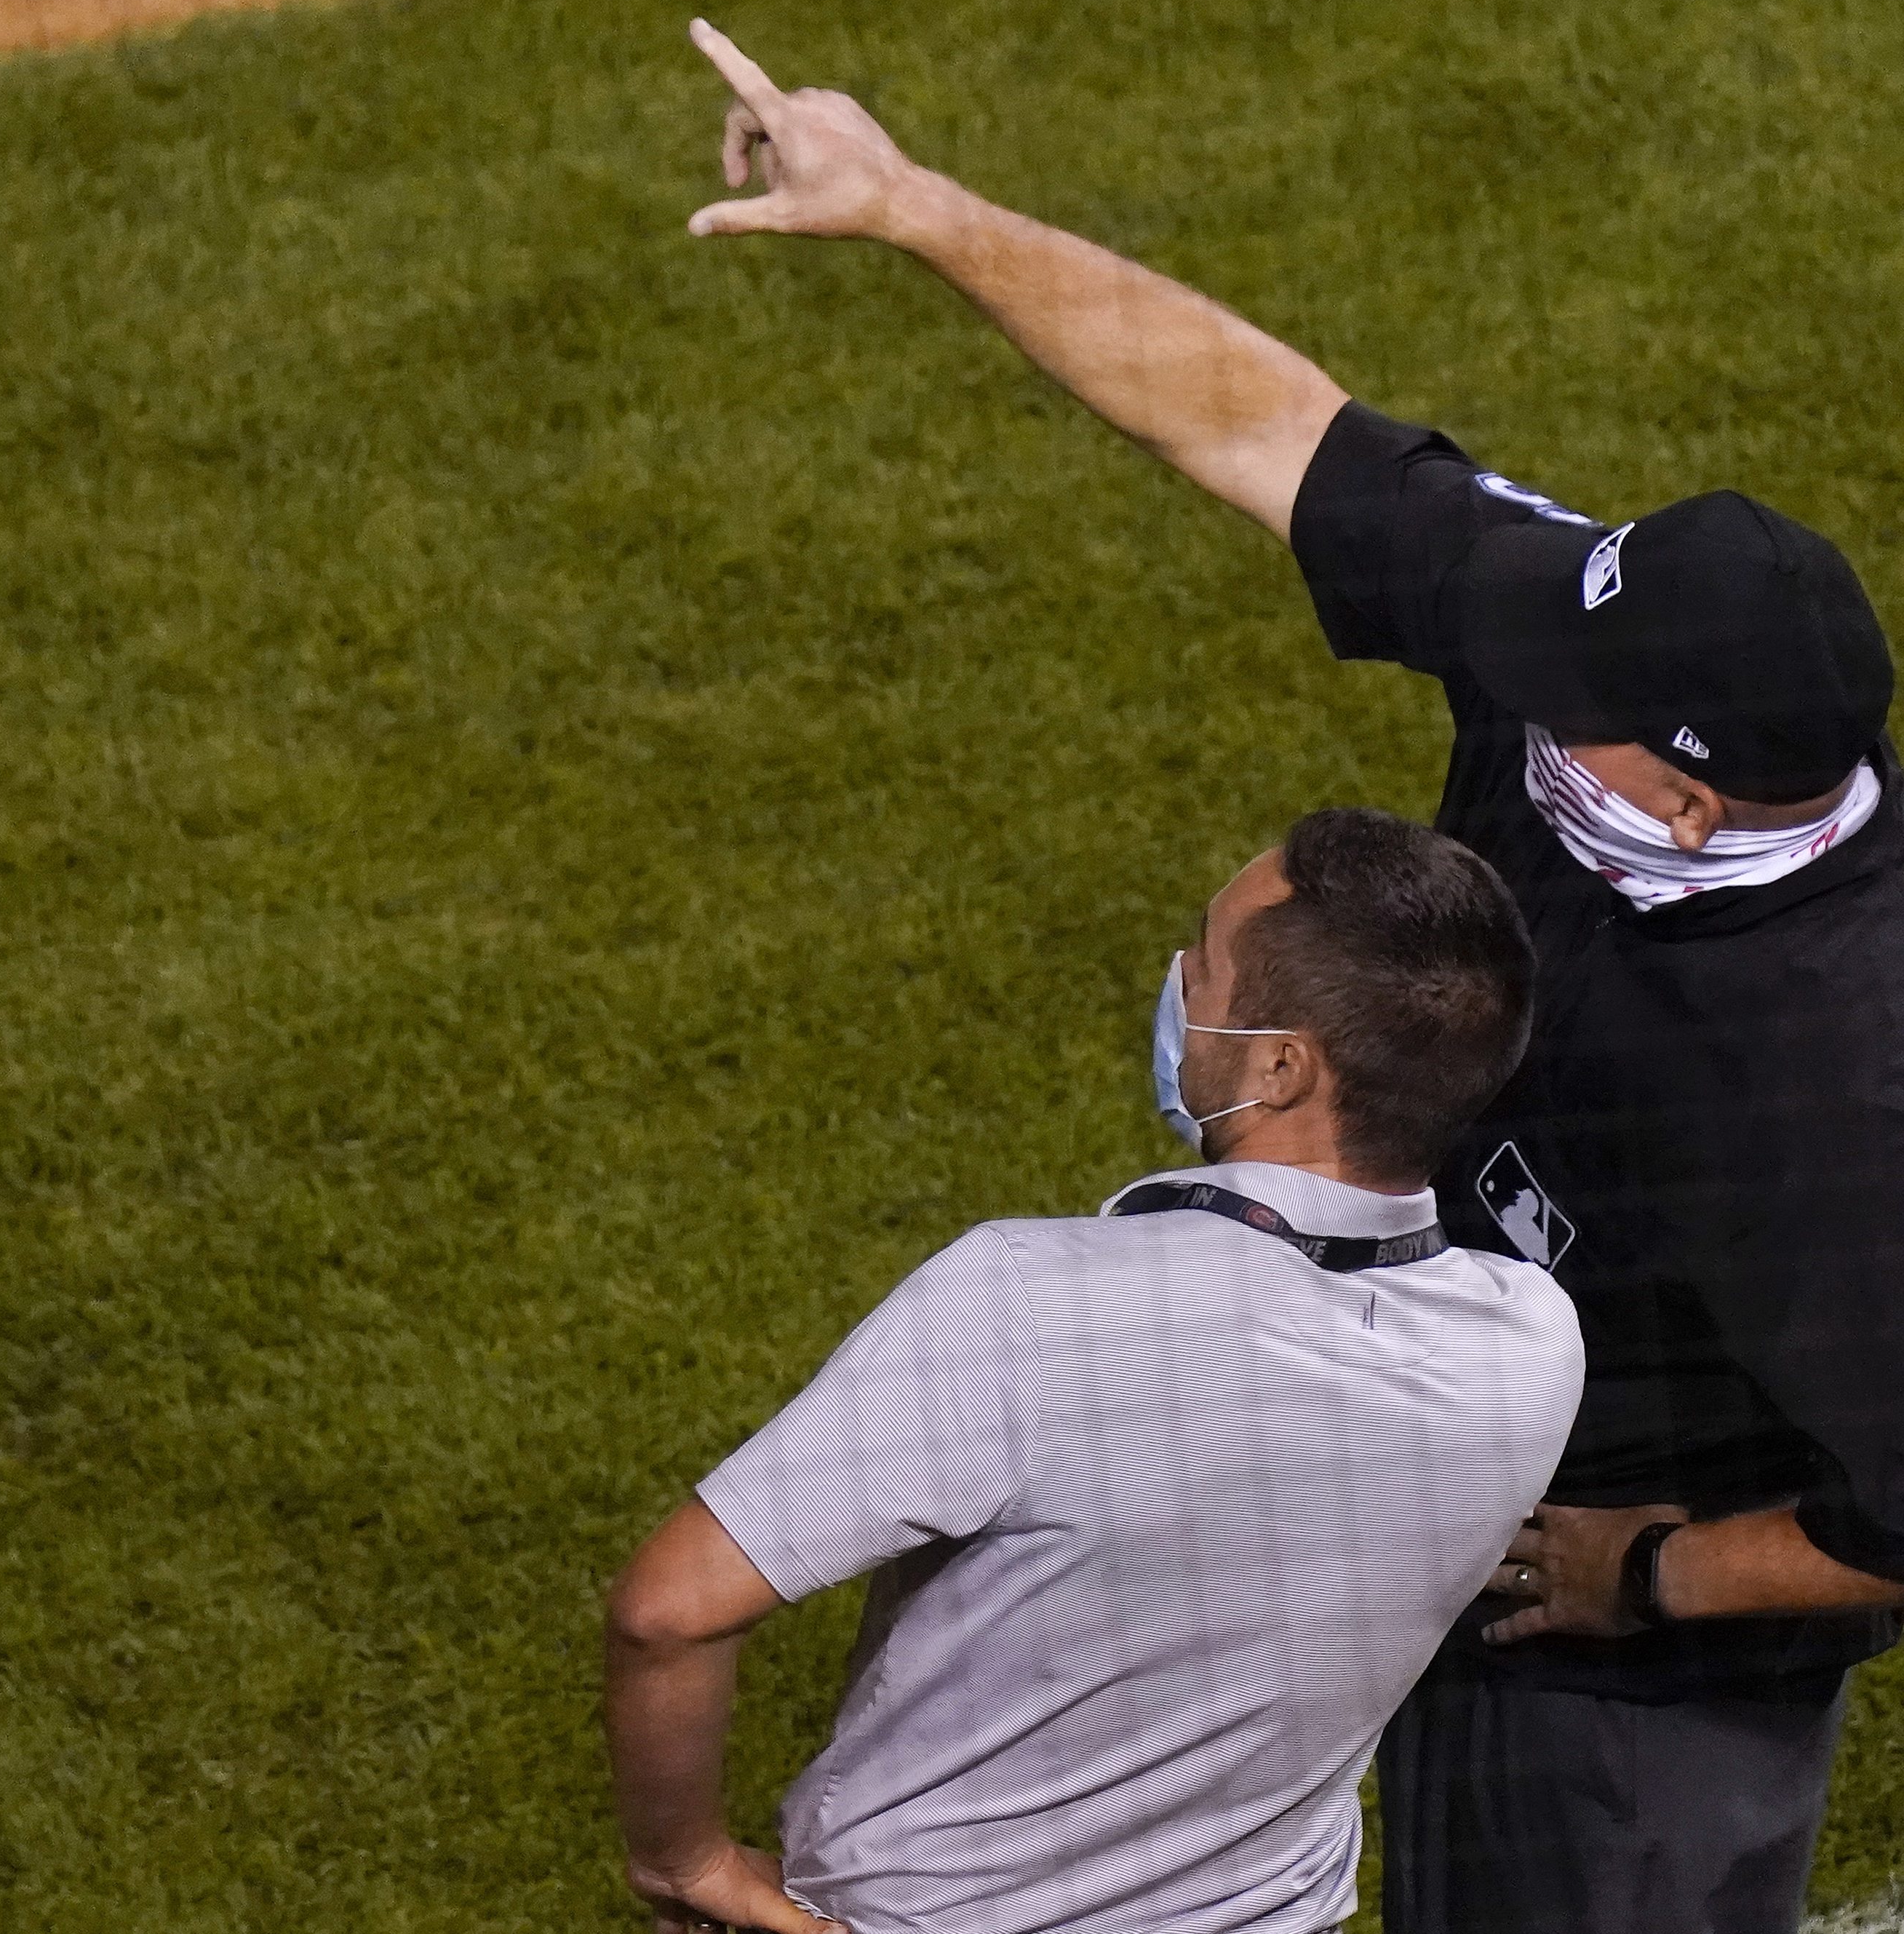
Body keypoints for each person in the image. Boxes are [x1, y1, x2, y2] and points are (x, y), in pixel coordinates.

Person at [674, 19, 1904, 1934]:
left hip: (1615, 1686)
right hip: (1445, 1464)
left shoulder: (1834, 1107)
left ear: (1692, 804)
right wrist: (918, 206)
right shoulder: (1587, 643)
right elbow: (1257, 420)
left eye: (1585, 724)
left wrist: (1647, 1573)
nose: (1531, 706)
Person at [605, 808, 1587, 1934]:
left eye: (1207, 966)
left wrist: (685, 1860)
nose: (1179, 982)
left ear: (1281, 1068)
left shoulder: (1032, 1300)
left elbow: (667, 1613)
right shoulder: (1534, 1342)